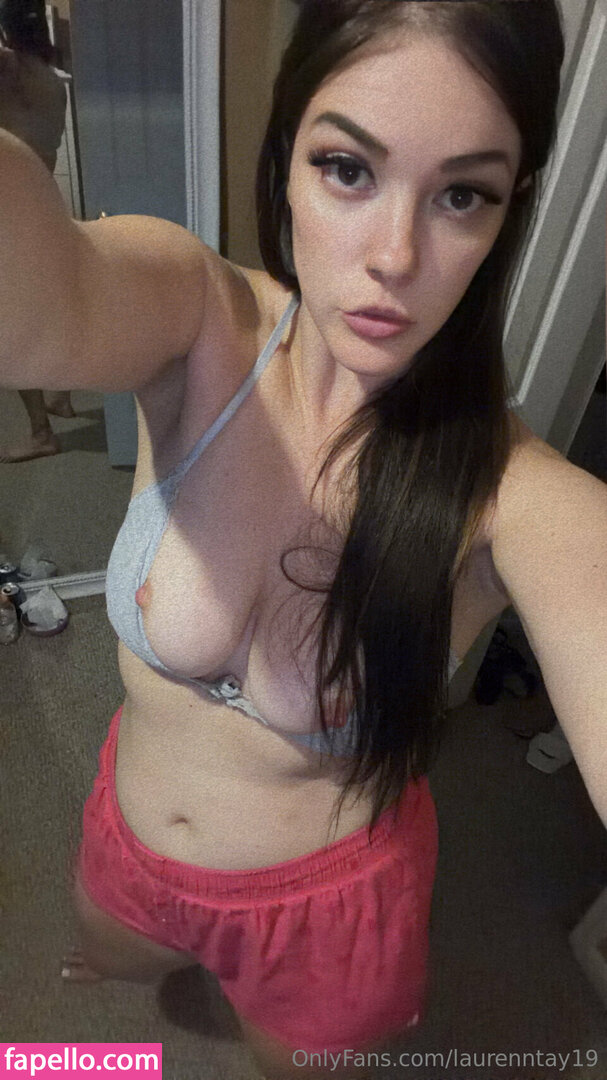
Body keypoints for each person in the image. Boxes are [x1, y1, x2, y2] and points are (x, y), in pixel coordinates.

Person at [1, 1, 606, 1077]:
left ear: (507, 212)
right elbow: (38, 310)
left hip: (323, 920)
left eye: (460, 194)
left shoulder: (515, 492)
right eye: (347, 169)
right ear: (284, 158)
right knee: (100, 970)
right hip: (128, 840)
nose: (393, 256)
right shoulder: (198, 316)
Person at [0, 0, 74, 463]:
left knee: (8, 332)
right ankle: (61, 396)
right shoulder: (52, 79)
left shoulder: (7, 71)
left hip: (8, 215)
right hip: (44, 204)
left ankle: (41, 433)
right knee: (49, 312)